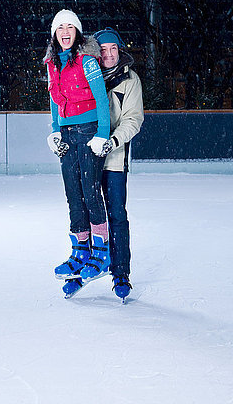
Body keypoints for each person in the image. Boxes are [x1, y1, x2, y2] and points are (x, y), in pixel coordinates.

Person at [43, 10, 113, 297]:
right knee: (73, 192)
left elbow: (101, 99)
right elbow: (52, 100)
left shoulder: (87, 61)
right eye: (61, 27)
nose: (65, 30)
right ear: (54, 33)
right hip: (67, 134)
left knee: (90, 190)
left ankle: (102, 252)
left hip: (88, 130)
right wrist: (55, 129)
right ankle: (80, 249)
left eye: (70, 26)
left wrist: (102, 133)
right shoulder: (51, 63)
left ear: (78, 32)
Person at [93, 27, 144, 301]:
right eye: (103, 50)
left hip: (113, 160)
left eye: (113, 49)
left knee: (116, 215)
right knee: (89, 215)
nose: (109, 54)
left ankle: (120, 272)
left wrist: (112, 141)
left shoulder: (130, 80)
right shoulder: (88, 76)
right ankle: (85, 266)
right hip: (88, 159)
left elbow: (133, 119)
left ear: (120, 50)